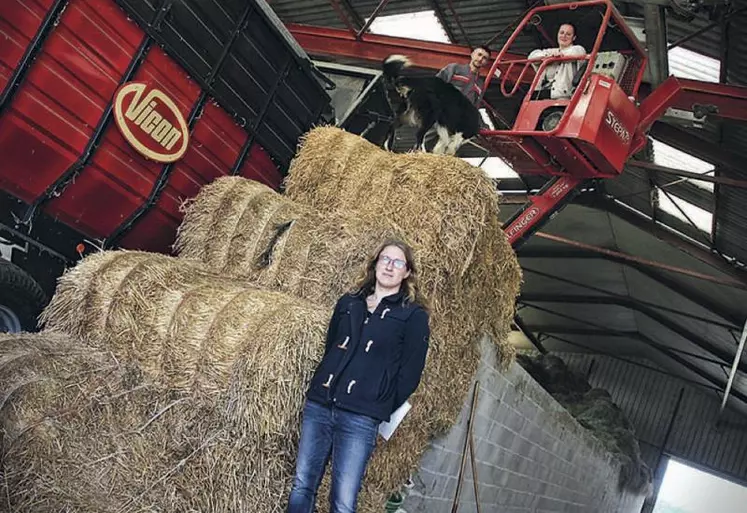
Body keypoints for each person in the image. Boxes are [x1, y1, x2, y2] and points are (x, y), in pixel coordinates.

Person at [286, 239, 430, 513]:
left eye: (398, 262)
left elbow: (410, 374)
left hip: (360, 417)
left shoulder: (413, 316)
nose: (389, 266)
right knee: (302, 485)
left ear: (407, 272)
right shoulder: (349, 303)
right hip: (320, 405)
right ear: (375, 264)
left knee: (343, 501)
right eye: (385, 259)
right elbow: (332, 347)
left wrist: (377, 403)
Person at [528, 22, 586, 100]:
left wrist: (557, 57)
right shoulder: (550, 51)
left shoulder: (578, 49)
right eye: (561, 33)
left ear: (574, 38)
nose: (564, 36)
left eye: (568, 34)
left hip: (563, 96)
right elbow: (532, 56)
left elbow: (573, 54)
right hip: (540, 94)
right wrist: (548, 57)